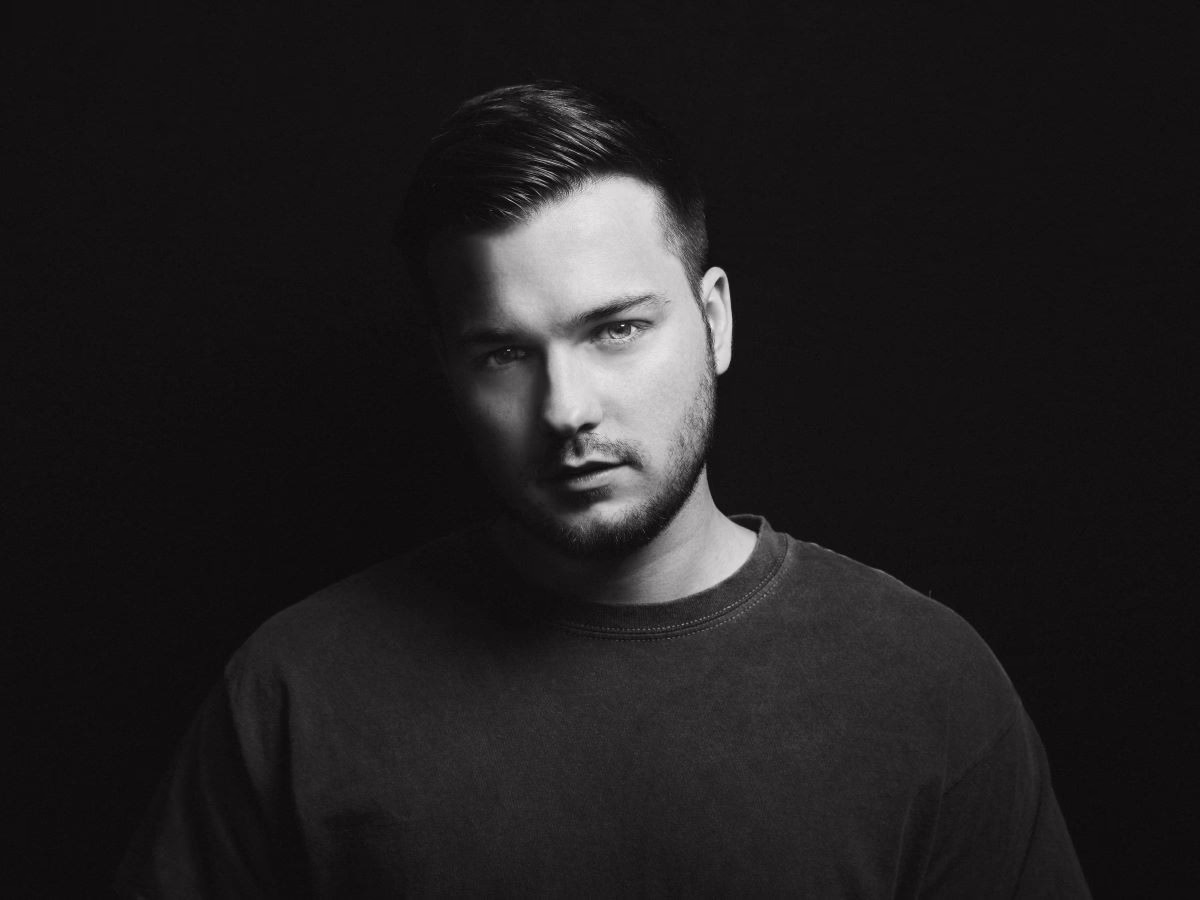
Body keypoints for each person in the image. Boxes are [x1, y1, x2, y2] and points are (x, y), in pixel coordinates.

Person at [116, 81, 1091, 898]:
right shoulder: (297, 692)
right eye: (504, 353)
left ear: (714, 321)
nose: (565, 409)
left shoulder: (924, 686)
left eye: (616, 330)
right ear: (447, 369)